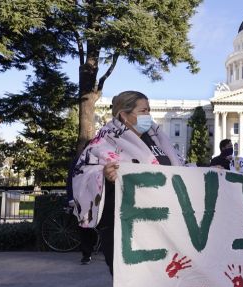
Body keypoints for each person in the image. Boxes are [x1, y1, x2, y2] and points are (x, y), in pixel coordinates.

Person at [71, 91, 185, 275]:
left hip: (163, 228)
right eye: (143, 111)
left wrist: (210, 170)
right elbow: (82, 175)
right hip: (124, 230)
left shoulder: (156, 139)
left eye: (149, 111)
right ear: (124, 115)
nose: (149, 116)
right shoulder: (103, 143)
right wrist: (104, 176)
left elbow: (180, 168)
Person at [67, 152, 97, 265]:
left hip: (96, 197)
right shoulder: (79, 160)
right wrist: (70, 197)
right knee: (85, 227)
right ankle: (87, 253)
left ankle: (88, 252)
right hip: (83, 198)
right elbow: (71, 179)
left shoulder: (101, 157)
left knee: (90, 228)